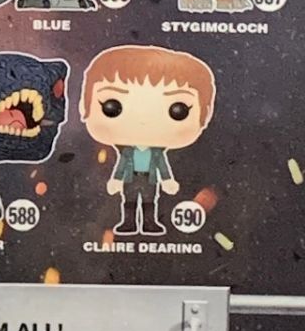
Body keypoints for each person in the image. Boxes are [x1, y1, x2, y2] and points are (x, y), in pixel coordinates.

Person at [80, 45, 216, 236]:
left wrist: (167, 180)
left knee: (149, 201)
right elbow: (121, 165)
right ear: (84, 106)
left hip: (149, 179)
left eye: (178, 110)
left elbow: (162, 166)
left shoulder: (157, 153)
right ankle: (128, 223)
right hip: (131, 178)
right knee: (129, 201)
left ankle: (149, 223)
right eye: (111, 106)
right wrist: (116, 180)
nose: (143, 120)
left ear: (206, 115)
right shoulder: (127, 152)